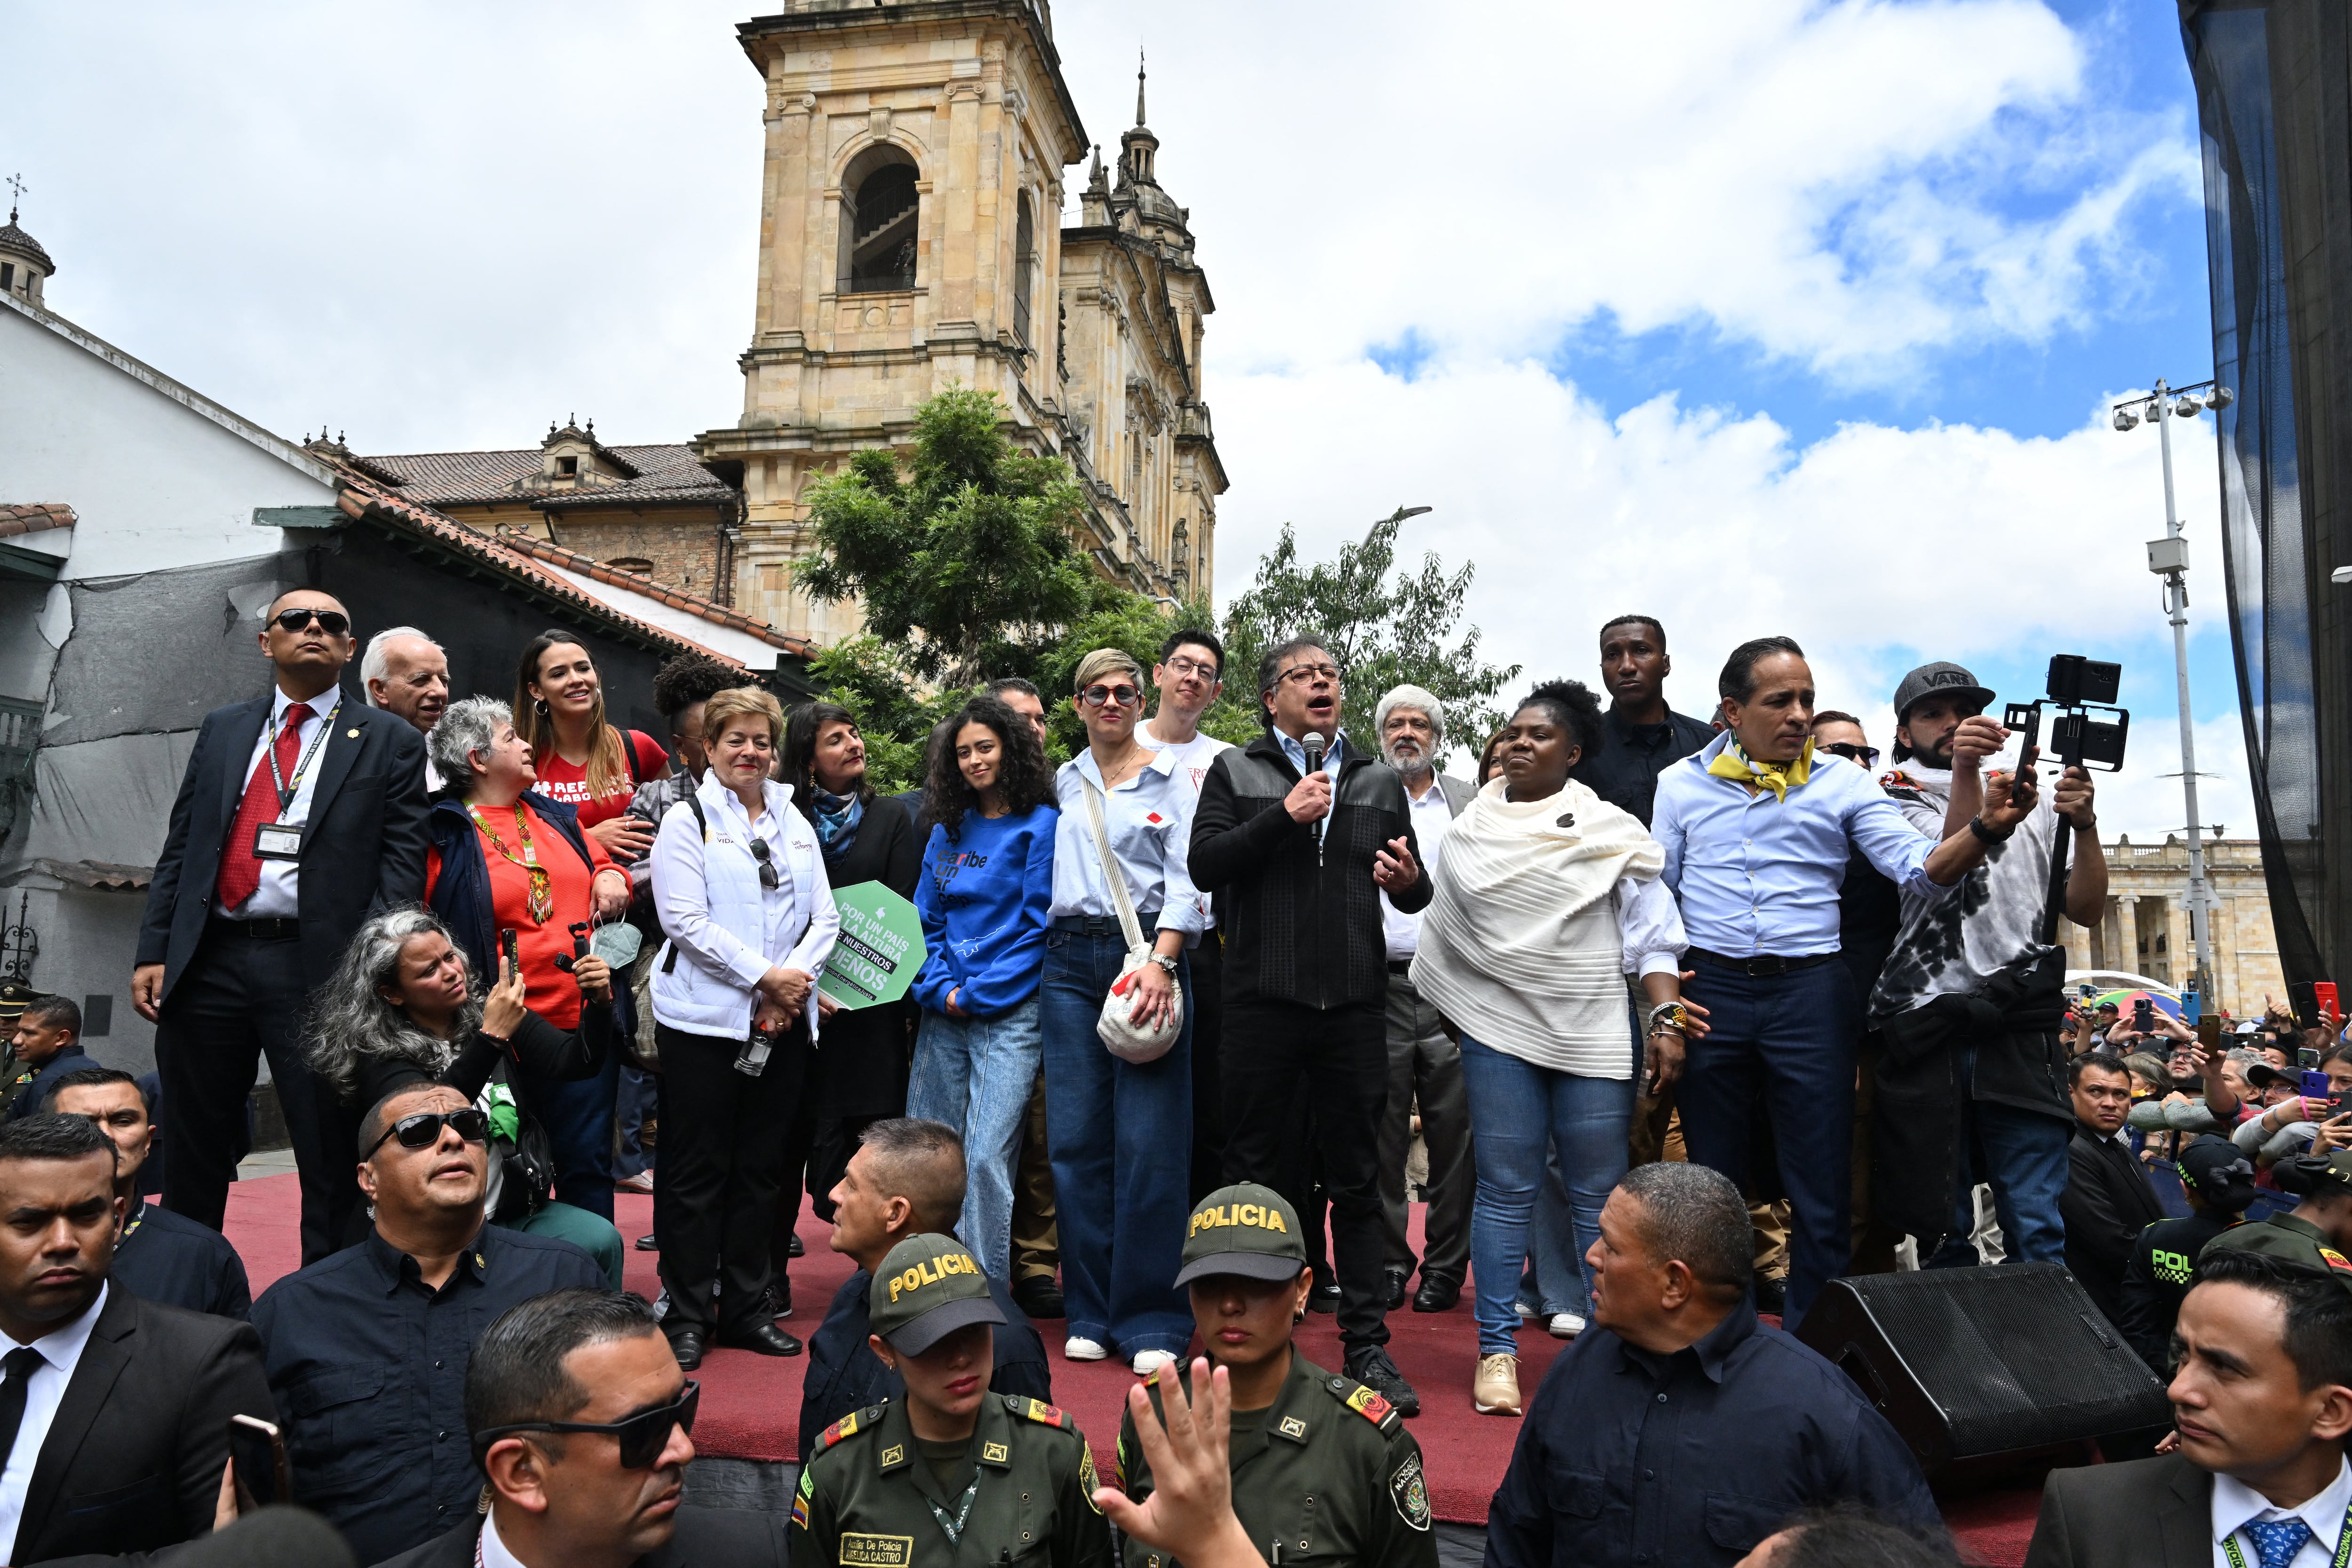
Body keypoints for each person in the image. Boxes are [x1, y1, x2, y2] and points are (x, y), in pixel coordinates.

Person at [1650, 636, 2033, 1327]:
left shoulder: (1845, 782)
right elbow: (1658, 900)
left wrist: (1981, 828)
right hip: (1714, 991)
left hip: (1811, 993)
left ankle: (1810, 1345)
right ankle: (1723, 1336)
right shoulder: (1679, 783)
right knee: (1713, 1180)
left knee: (1821, 1182)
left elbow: (1920, 871)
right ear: (1733, 711)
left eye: (1806, 699)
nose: (1800, 714)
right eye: (1780, 701)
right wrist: (1669, 1005)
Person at [1410, 680, 1699, 1415]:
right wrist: (1467, 1011)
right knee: (1506, 1189)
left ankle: (1610, 1347)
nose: (1518, 743)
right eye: (1511, 732)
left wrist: (1667, 1017)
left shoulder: (1610, 828)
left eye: (1538, 734)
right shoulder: (1468, 832)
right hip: (1499, 1033)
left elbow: (1652, 932)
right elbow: (1450, 936)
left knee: (1599, 1195)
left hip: (1593, 1026)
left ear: (1572, 753)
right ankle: (1496, 1349)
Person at [133, 587, 429, 1264]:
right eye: (295, 619)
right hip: (210, 958)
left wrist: (370, 971)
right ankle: (189, 1288)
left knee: (328, 1147)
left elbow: (401, 865)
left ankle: (323, 1296)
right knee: (192, 1146)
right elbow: (183, 847)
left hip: (319, 968)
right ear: (267, 642)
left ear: (350, 649)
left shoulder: (389, 739)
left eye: (332, 622)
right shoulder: (224, 729)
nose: (313, 627)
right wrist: (155, 948)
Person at [1190, 637, 1428, 1415]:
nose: (1322, 683)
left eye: (1330, 674)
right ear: (1272, 698)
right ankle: (1248, 1336)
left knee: (1358, 1177)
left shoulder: (1379, 777)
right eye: (1304, 675)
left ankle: (1366, 1343)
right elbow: (1205, 865)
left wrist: (1409, 880)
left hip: (1355, 1006)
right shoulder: (1237, 770)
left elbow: (1414, 892)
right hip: (1261, 1003)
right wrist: (1284, 817)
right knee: (1255, 1174)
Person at [1484, 1163, 1939, 1568]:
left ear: (1675, 1284)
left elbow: (1919, 1554)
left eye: (1613, 1247)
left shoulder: (1822, 1412)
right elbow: (1517, 1534)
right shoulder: (1576, 1373)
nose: (1591, 1256)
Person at [250, 1081, 605, 1563]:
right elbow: (254, 1487)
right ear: (369, 1178)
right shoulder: (293, 1312)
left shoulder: (563, 1280)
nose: (454, 1139)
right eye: (418, 1131)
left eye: (468, 1125)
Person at [1870, 662, 2109, 1275]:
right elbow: (1945, 870)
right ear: (1904, 732)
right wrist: (1967, 772)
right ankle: (1949, 1339)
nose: (1951, 723)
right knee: (1941, 1225)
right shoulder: (1888, 793)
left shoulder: (2032, 795)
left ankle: (2042, 1335)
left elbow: (2085, 909)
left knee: (2035, 1223)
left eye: (1964, 711)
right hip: (1929, 1021)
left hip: (2016, 1022)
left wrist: (2085, 825)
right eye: (1932, 714)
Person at [647, 685, 836, 1369]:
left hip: (781, 1025)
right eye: (736, 740)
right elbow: (684, 922)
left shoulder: (794, 819)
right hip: (702, 1024)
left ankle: (748, 1308)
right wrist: (765, 978)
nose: (750, 752)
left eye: (762, 740)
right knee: (696, 1171)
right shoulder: (687, 818)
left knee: (762, 1170)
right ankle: (687, 1313)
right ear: (709, 747)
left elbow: (825, 918)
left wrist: (789, 988)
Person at [1114, 1183, 1438, 1568]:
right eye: (1210, 1283)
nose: (1230, 1304)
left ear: (1302, 1291)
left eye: (1256, 1282)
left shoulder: (1364, 1444)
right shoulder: (1151, 1415)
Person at [0, 1112, 275, 1565]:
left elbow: (248, 1555)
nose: (63, 1242)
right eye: (30, 1222)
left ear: (117, 1220)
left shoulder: (202, 1363)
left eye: (87, 1215)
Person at [1040, 648, 1203, 1378]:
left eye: (1125, 692)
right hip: (1068, 961)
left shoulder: (1172, 777)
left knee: (1150, 1143)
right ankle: (1089, 1310)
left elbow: (1188, 882)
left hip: (1146, 957)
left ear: (1142, 701)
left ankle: (1151, 1316)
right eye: (1097, 692)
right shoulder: (1063, 781)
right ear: (1077, 704)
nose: (1112, 701)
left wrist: (1163, 963)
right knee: (1075, 1143)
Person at [304, 906, 622, 1280]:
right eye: (429, 971)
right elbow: (430, 1117)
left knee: (600, 1240)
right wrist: (493, 1038)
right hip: (424, 1226)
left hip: (507, 1211)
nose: (451, 972)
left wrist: (599, 1002)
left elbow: (578, 1062)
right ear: (391, 994)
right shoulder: (377, 1053)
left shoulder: (486, 1015)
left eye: (449, 956)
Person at [377, 1289, 786, 1568]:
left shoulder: (755, 1554)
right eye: (645, 1430)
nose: (684, 1450)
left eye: (683, 1410)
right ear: (521, 1471)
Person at [424, 697, 630, 1224]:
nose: (525, 744)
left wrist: (611, 876)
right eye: (511, 737)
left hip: (584, 1020)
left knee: (587, 1168)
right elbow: (427, 931)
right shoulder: (444, 831)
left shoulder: (551, 814)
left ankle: (589, 1277)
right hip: (503, 1033)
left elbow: (602, 864)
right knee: (512, 1170)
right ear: (477, 758)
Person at [792, 1233, 1112, 1568]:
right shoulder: (838, 1472)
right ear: (885, 1352)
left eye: (974, 1330)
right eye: (933, 1340)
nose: (961, 1358)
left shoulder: (1055, 1455)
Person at [2021, 1246, 2352, 1568]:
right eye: (2183, 1356)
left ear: (2330, 1413)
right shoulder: (2088, 1512)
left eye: (2223, 1368)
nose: (2179, 1390)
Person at [514, 633, 670, 1217]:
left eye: (583, 667)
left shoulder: (636, 750)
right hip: (556, 941)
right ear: (536, 690)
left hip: (637, 937)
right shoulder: (524, 756)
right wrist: (588, 838)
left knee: (632, 1070)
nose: (577, 679)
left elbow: (674, 819)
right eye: (559, 673)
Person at [907, 694, 1057, 1285]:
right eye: (963, 752)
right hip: (942, 1008)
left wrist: (974, 995)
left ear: (1010, 750)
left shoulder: (1041, 826)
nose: (973, 761)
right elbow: (924, 919)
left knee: (987, 1154)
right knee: (925, 1149)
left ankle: (980, 1289)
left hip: (1009, 1012)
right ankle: (920, 1279)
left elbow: (1037, 926)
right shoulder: (946, 830)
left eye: (985, 748)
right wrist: (940, 989)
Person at [778, 700, 922, 1291]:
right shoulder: (785, 816)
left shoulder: (890, 816)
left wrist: (855, 984)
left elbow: (901, 907)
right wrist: (806, 984)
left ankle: (879, 1279)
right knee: (790, 1137)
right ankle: (768, 1276)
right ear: (808, 758)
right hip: (794, 1000)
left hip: (870, 1008)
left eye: (855, 733)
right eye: (835, 739)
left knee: (874, 1140)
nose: (854, 744)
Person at [799, 1119, 1050, 1446]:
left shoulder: (1002, 1344)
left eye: (852, 1185)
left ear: (895, 1213)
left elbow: (1029, 1469)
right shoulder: (855, 1294)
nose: (834, 1193)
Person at [617, 654, 746, 1205]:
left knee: (746, 1111)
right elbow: (633, 879)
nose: (727, 748)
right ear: (681, 746)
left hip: (750, 978)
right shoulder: (656, 799)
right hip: (681, 977)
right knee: (681, 1113)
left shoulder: (767, 796)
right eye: (708, 737)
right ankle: (677, 1226)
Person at [1367, 684, 1475, 1317]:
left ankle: (1444, 1267)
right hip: (1376, 985)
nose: (1407, 732)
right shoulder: (1357, 793)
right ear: (1381, 734)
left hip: (1453, 988)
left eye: (1419, 724)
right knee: (1381, 1134)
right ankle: (1388, 1262)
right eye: (1395, 723)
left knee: (1453, 1135)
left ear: (1436, 735)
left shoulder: (1469, 800)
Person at [1137, 632, 1237, 1205]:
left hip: (1205, 945)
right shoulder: (1118, 745)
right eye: (1182, 664)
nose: (1192, 677)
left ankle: (1201, 1222)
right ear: (1158, 674)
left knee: (1206, 1094)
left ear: (1215, 691)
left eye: (1205, 671)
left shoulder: (1227, 761)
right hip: (1129, 938)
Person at [983, 675, 1068, 1319]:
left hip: (1050, 982)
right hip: (971, 992)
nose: (1034, 730)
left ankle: (1036, 1262)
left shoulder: (1063, 793)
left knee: (1042, 1131)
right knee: (981, 1138)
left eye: (1040, 719)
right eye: (1021, 719)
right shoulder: (955, 803)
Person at [46, 1066, 251, 1319]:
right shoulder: (10, 1246)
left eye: (123, 1121)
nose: (106, 1135)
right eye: (83, 1123)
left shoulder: (204, 1255)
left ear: (147, 1141)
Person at [2116, 1135, 2261, 1375]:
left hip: (2163, 1373)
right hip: (2234, 1378)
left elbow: (2136, 1324)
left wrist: (2173, 1373)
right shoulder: (2267, 1244)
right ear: (2250, 1184)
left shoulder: (2156, 1236)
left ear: (2185, 1188)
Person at [1572, 615, 1716, 827]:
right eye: (1612, 655)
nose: (1627, 666)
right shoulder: (1579, 750)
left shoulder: (1709, 746)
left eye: (1641, 651)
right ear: (1602, 667)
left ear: (1665, 664)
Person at [2060, 1052, 2167, 1325]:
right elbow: (2108, 1240)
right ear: (2070, 1093)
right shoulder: (2071, 1149)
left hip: (2134, 1300)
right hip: (2102, 1307)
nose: (2110, 1103)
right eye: (2096, 1091)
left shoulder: (2114, 1145)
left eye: (2120, 1094)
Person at [362, 626, 451, 789]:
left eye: (444, 681)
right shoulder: (352, 754)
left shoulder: (463, 757)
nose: (440, 691)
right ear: (380, 689)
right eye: (421, 680)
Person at [5, 994, 93, 1121]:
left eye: (29, 1033)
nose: (16, 1040)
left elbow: (39, 1133)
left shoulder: (47, 1083)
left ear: (62, 1038)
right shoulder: (92, 1068)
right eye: (20, 1031)